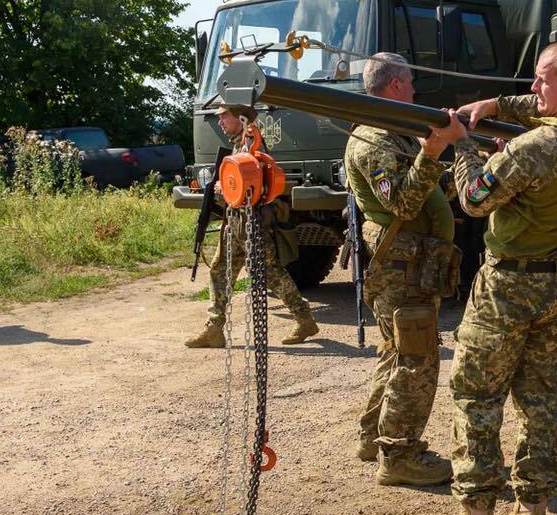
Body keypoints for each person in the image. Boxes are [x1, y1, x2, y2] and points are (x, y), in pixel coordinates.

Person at [422, 40, 557, 515]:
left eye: (542, 81)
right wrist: (496, 106)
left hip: (508, 286)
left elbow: (474, 198)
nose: (533, 90)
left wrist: (462, 143)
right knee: (539, 399)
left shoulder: (535, 150)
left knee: (476, 397)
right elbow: (540, 108)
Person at [344, 52, 462, 488]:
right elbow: (403, 203)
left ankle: (374, 437)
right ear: (394, 86)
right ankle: (399, 455)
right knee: (417, 357)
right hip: (401, 264)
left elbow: (428, 186)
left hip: (407, 260)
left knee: (398, 350)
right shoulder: (376, 140)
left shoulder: (392, 132)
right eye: (409, 82)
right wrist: (432, 151)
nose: (414, 90)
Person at [185, 105, 321, 348]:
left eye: (223, 117)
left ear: (240, 118)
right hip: (236, 222)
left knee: (271, 273)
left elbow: (251, 185)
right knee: (219, 271)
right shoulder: (241, 143)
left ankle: (304, 319)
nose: (220, 122)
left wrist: (223, 188)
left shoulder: (252, 143)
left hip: (250, 223)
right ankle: (214, 329)